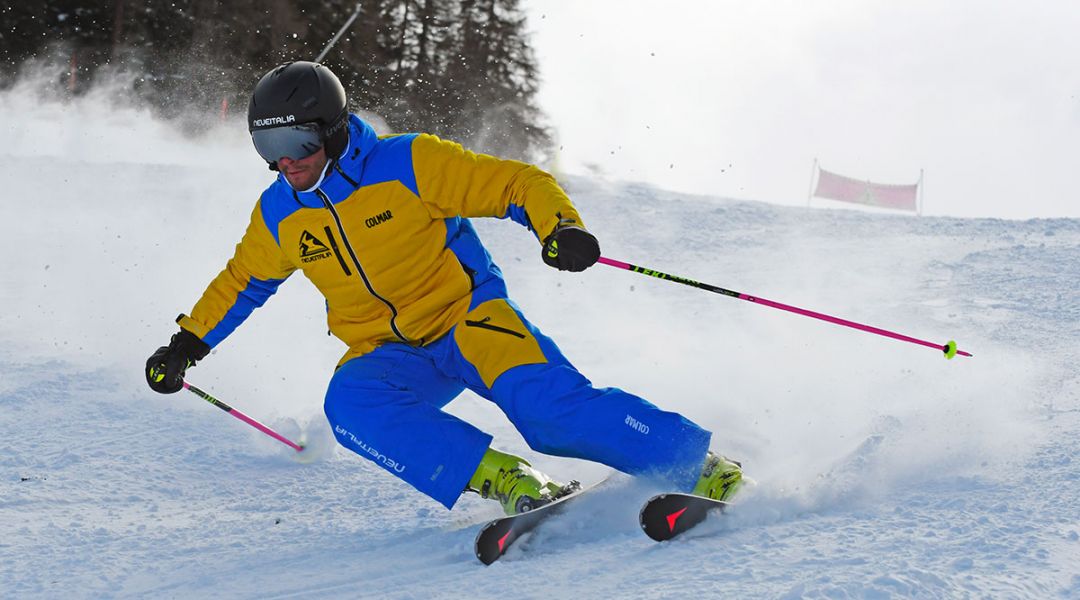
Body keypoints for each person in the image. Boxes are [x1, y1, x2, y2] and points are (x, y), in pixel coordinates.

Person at [145, 61, 742, 515]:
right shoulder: (280, 212)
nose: (286, 163)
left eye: (296, 143)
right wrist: (187, 344)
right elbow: (242, 281)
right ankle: (512, 482)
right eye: (267, 148)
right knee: (352, 406)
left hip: (470, 320)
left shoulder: (408, 164)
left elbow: (516, 182)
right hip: (390, 351)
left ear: (329, 129)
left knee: (551, 416)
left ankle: (703, 468)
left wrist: (560, 228)